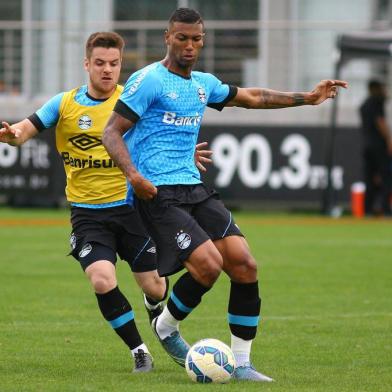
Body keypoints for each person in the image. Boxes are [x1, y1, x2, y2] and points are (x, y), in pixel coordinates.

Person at [102, 8, 348, 382]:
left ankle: (243, 363)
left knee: (244, 264)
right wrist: (133, 176)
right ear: (167, 37)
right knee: (208, 265)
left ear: (203, 40)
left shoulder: (203, 83)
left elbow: (251, 97)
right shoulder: (148, 80)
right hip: (157, 192)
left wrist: (308, 98)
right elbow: (111, 132)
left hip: (194, 188)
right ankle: (166, 326)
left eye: (196, 39)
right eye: (181, 38)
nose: (189, 45)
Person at [0, 31, 211, 373]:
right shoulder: (65, 103)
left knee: (156, 287)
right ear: (87, 64)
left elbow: (162, 136)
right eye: (99, 63)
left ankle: (153, 305)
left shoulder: (131, 100)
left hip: (132, 211)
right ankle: (139, 350)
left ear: (120, 65)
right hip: (88, 216)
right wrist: (13, 136)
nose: (107, 70)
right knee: (101, 278)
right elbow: (26, 128)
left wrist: (185, 154)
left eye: (114, 64)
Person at [359, 79, 392, 216]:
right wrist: (389, 139)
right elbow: (380, 122)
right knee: (386, 177)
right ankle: (385, 209)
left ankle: (368, 210)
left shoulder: (364, 104)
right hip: (379, 146)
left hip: (367, 145)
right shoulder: (376, 102)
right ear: (375, 89)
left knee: (369, 178)